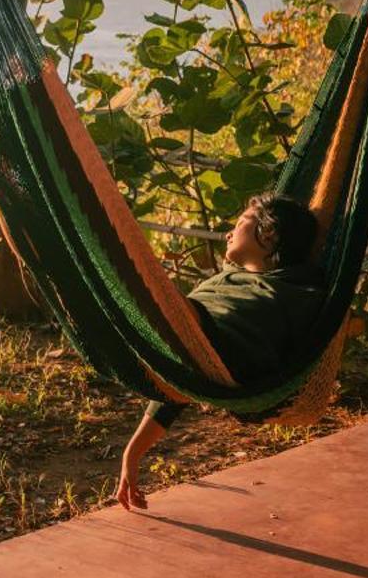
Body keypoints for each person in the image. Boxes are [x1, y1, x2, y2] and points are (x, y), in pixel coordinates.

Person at [114, 192, 322, 512]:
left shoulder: (297, 289)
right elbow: (177, 381)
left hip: (235, 359)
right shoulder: (224, 279)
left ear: (268, 234)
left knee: (157, 298)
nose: (228, 233)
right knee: (168, 315)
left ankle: (119, 263)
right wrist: (133, 454)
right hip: (191, 339)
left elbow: (195, 348)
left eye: (239, 223)